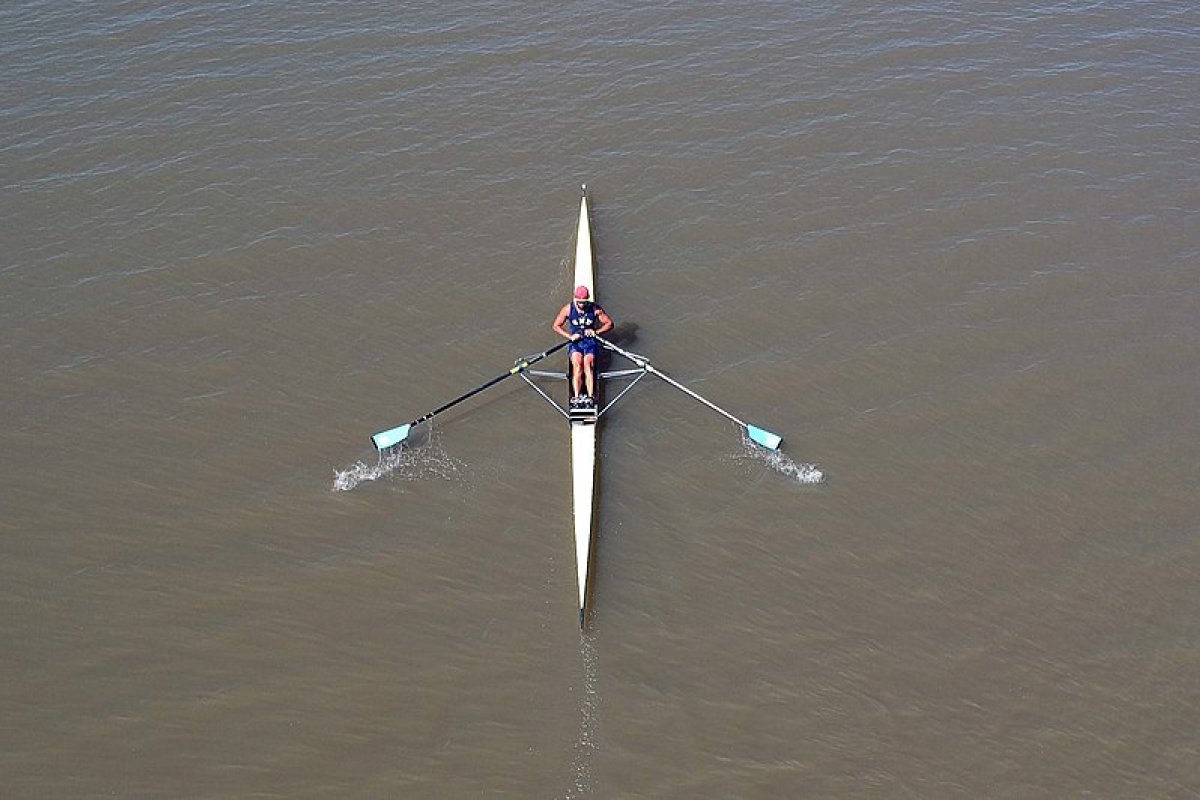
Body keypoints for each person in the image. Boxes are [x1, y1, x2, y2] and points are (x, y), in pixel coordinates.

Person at [552, 285, 614, 407]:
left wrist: (596, 332)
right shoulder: (568, 309)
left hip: (590, 342)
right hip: (576, 343)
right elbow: (555, 326)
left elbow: (610, 324)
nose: (581, 305)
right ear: (575, 299)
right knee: (577, 364)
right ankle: (576, 398)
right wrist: (570, 336)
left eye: (584, 302)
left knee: (588, 365)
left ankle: (591, 398)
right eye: (579, 302)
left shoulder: (595, 309)